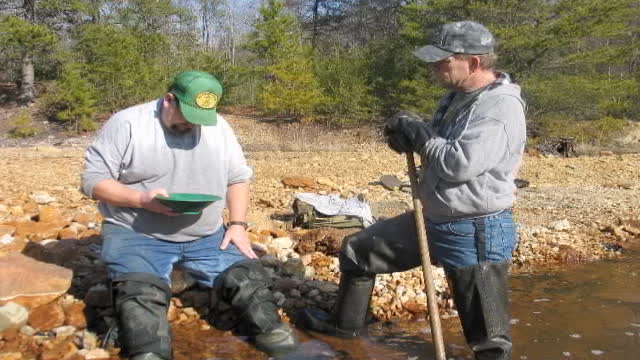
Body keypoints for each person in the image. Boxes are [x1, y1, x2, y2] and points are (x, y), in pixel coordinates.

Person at [298, 21, 526, 360]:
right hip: (434, 217)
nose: (433, 67)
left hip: (474, 228)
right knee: (359, 251)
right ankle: (344, 331)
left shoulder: (501, 106)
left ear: (474, 62)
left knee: (489, 342)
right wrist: (405, 133)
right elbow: (434, 146)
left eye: (442, 61)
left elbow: (458, 164)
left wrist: (421, 135)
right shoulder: (455, 97)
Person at [81, 71, 297, 360]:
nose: (194, 124)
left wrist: (237, 225)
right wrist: (141, 199)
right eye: (187, 117)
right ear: (169, 100)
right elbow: (93, 181)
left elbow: (238, 178)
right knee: (142, 308)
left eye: (201, 118)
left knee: (252, 288)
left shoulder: (218, 126)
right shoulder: (128, 123)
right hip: (137, 233)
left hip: (206, 235)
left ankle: (296, 351)